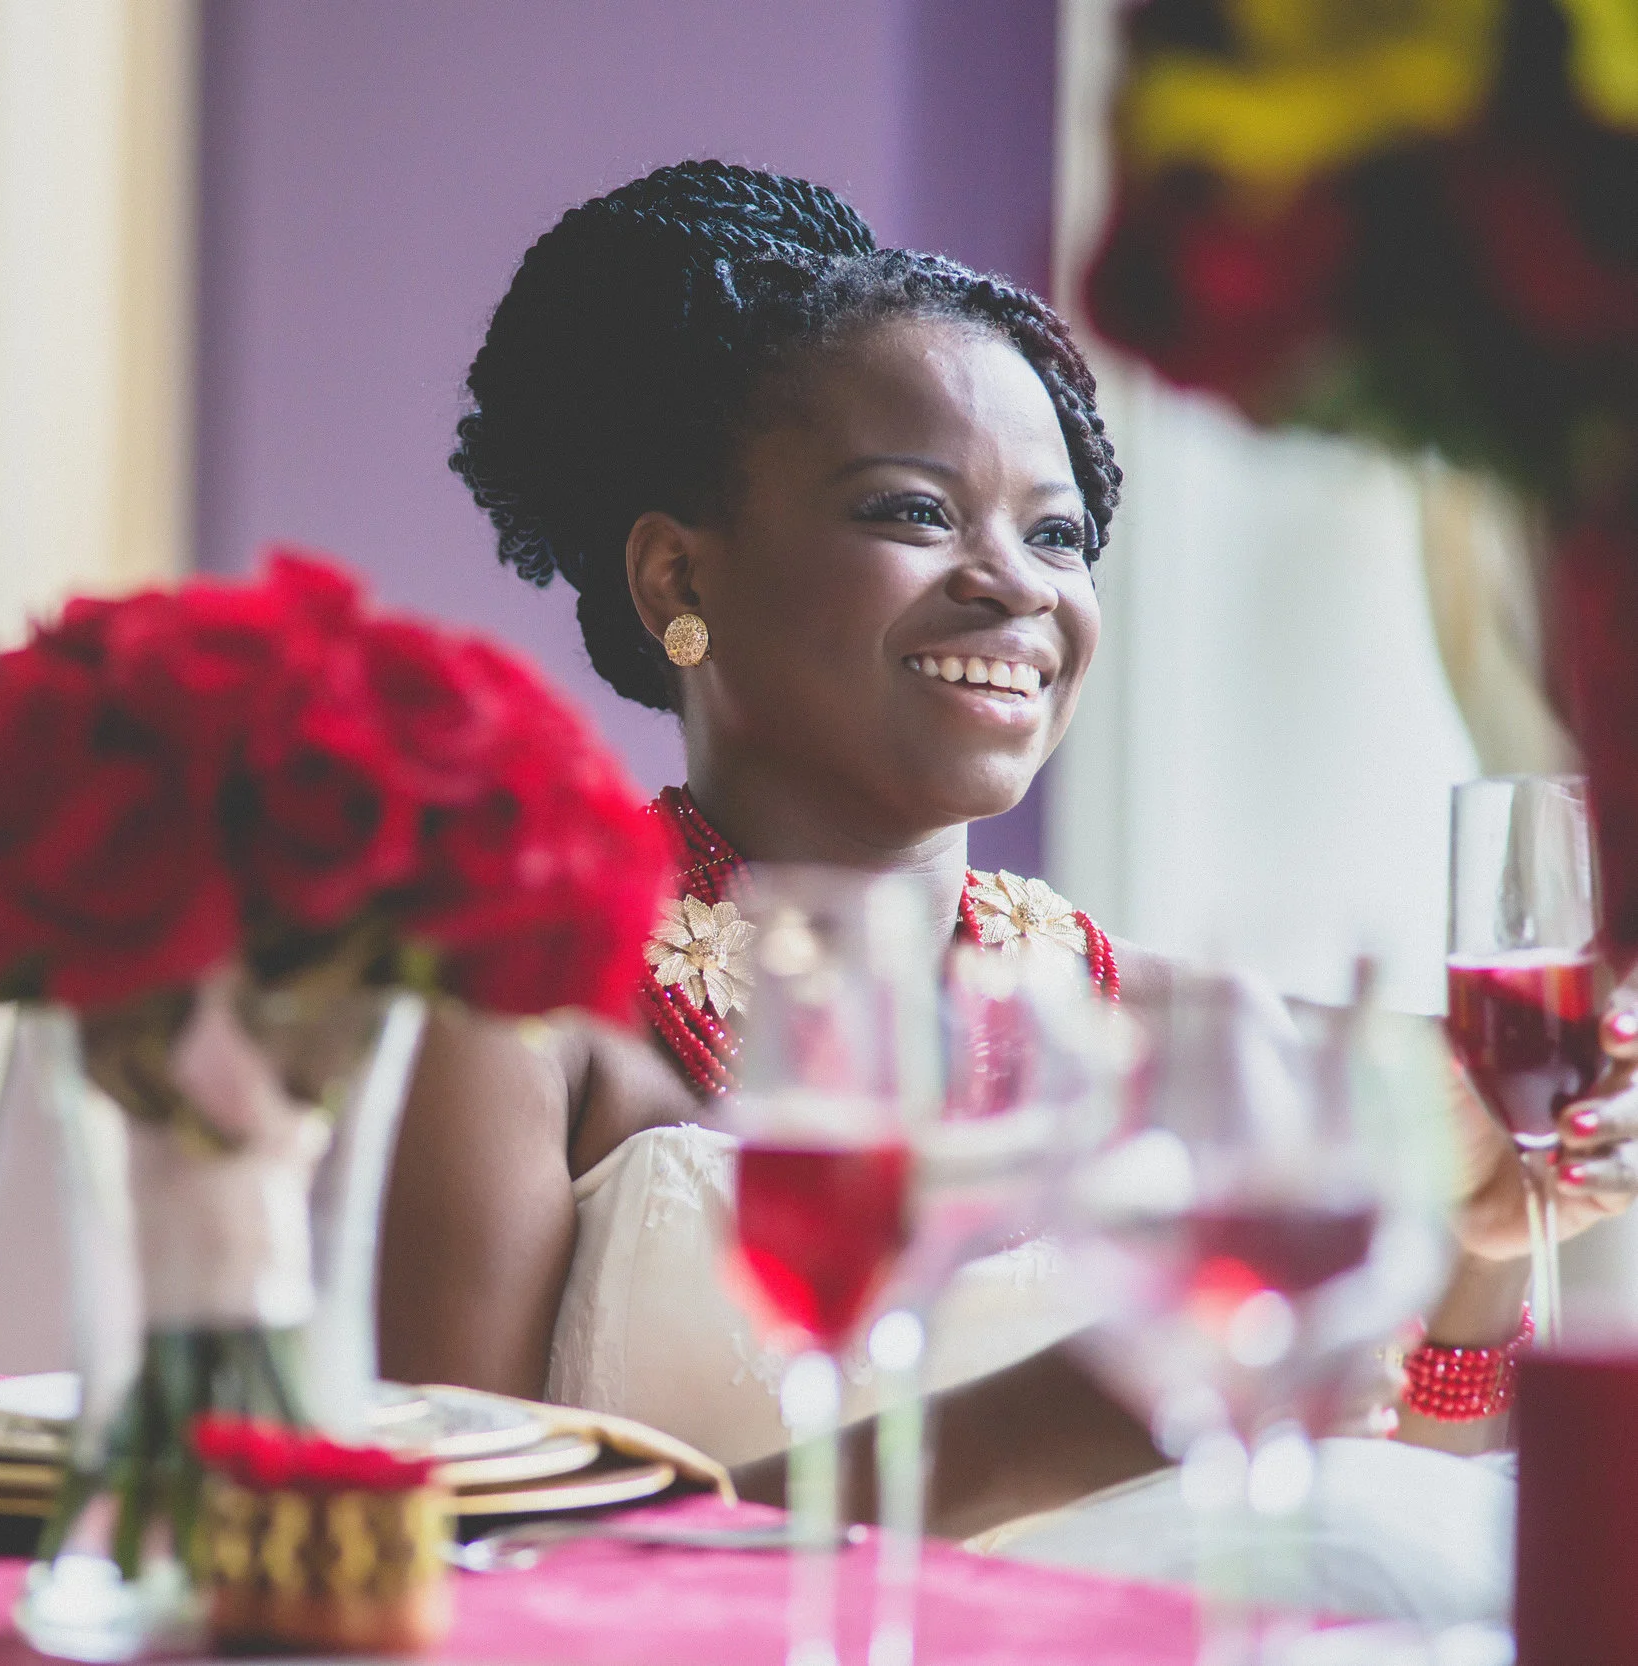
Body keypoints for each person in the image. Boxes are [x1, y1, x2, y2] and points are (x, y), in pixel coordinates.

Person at [375, 160, 1638, 1539]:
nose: (1017, 583)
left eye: (1058, 533)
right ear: (679, 575)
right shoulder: (519, 1005)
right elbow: (447, 1561)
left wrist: (1477, 1247)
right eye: (915, 511)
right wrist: (1057, 1425)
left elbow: (1399, 1496)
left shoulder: (1194, 1025)